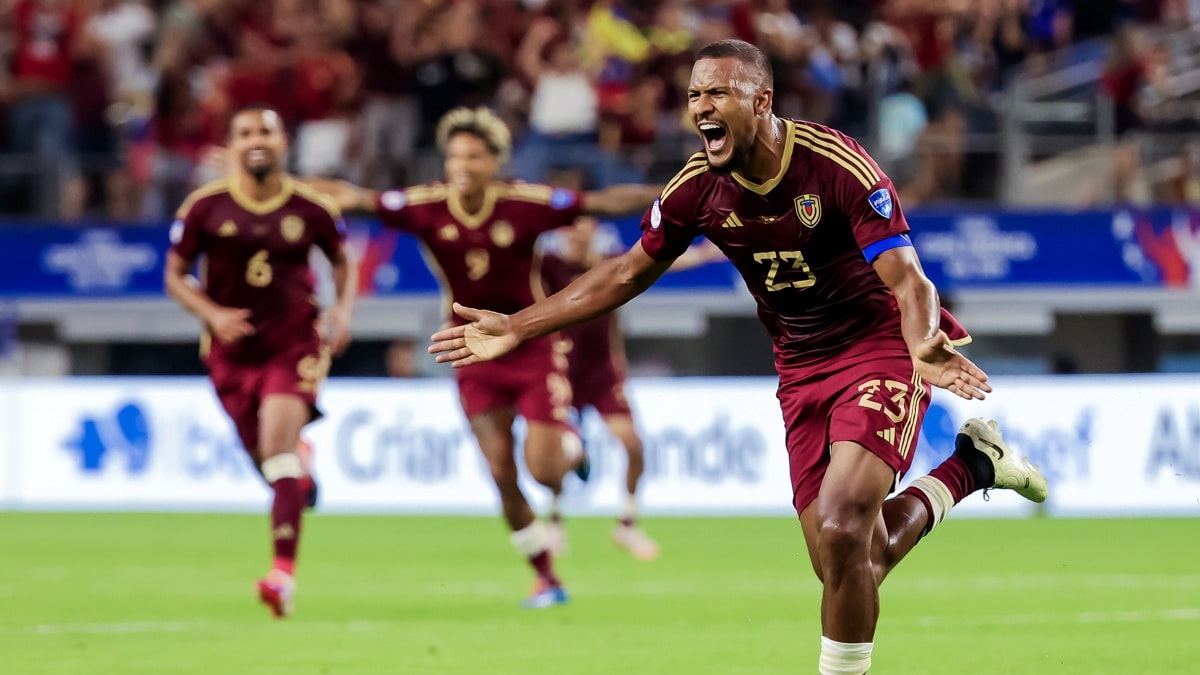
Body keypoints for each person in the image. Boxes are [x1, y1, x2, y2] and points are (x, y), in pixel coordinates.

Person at [430, 41, 1047, 673]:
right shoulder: (697, 186)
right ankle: (972, 467)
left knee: (843, 529)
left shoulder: (835, 164)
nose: (701, 107)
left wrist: (921, 342)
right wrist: (519, 325)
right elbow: (624, 274)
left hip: (880, 347)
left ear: (761, 100)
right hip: (800, 366)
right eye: (694, 95)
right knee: (845, 559)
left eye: (717, 93)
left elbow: (910, 280)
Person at [310, 106, 659, 608]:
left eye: (473, 156)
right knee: (499, 469)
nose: (462, 166)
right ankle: (545, 577)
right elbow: (355, 198)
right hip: (470, 349)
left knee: (544, 472)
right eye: (455, 157)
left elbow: (602, 203)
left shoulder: (524, 203)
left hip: (529, 344)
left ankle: (572, 449)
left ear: (495, 161)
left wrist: (676, 191)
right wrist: (282, 186)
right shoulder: (426, 206)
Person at [164, 105, 357, 619]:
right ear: (231, 145)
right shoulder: (204, 207)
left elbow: (342, 261)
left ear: (283, 142)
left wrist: (341, 310)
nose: (257, 140)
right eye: (246, 132)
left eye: (266, 131)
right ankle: (301, 464)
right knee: (268, 463)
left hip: (293, 343)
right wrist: (212, 314)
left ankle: (281, 576)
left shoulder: (311, 208)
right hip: (231, 352)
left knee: (276, 450)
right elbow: (175, 275)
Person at [539, 217, 724, 560]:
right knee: (561, 453)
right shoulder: (548, 267)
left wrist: (701, 255)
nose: (579, 234)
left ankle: (626, 524)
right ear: (562, 232)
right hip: (562, 372)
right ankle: (553, 522)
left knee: (633, 446)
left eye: (585, 227)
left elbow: (656, 260)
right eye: (572, 228)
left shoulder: (608, 263)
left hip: (602, 374)